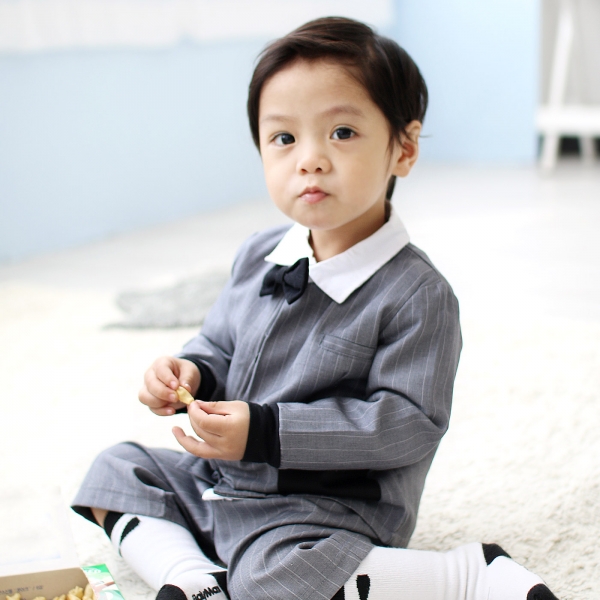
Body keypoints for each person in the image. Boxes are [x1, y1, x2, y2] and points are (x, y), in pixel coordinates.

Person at [72, 17, 560, 600]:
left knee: (276, 578)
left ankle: (466, 576)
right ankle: (195, 577)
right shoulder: (259, 253)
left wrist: (268, 432)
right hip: (225, 479)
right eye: (284, 138)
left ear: (403, 149)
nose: (310, 159)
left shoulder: (417, 294)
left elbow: (406, 424)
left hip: (324, 508)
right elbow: (219, 344)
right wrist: (190, 374)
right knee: (114, 471)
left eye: (342, 132)